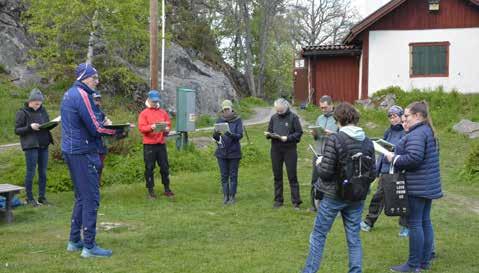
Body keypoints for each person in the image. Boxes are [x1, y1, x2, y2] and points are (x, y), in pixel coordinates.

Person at [302, 102, 376, 273]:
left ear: (339, 120)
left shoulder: (335, 139)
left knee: (319, 235)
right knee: (354, 238)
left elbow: (326, 173)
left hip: (333, 195)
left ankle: (309, 271)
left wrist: (320, 163)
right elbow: (372, 173)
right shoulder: (367, 142)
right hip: (357, 196)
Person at [62, 63, 125, 258]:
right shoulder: (82, 95)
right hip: (83, 152)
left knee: (81, 197)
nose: (97, 81)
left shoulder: (70, 93)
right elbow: (96, 128)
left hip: (72, 150)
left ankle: (74, 241)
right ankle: (89, 246)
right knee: (91, 198)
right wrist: (118, 131)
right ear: (84, 77)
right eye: (94, 78)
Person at [385, 101, 442, 272]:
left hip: (418, 186)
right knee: (424, 221)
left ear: (418, 116)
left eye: (407, 116)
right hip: (426, 185)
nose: (405, 119)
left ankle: (413, 264)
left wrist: (393, 158)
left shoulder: (418, 133)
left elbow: (414, 158)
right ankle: (424, 262)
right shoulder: (425, 130)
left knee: (416, 224)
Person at [360, 105, 409, 236]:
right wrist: (377, 169)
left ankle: (405, 227)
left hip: (399, 170)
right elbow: (382, 152)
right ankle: (368, 222)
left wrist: (395, 151)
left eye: (395, 116)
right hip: (385, 170)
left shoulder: (406, 132)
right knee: (378, 197)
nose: (393, 119)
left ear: (401, 116)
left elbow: (407, 152)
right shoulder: (388, 132)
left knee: (401, 198)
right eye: (390, 117)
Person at [15, 88, 56, 206]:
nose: (38, 105)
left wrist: (52, 124)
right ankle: (29, 198)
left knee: (43, 172)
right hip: (31, 146)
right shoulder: (22, 112)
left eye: (40, 103)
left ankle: (42, 197)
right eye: (36, 103)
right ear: (30, 101)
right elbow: (17, 130)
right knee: (31, 172)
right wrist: (30, 127)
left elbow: (46, 124)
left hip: (44, 144)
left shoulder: (43, 111)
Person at [265, 98, 303, 209]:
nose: (279, 113)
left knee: (292, 176)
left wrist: (288, 138)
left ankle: (296, 202)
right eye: (277, 110)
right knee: (277, 176)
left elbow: (299, 133)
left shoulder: (293, 118)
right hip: (276, 150)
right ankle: (278, 200)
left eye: (281, 111)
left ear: (286, 108)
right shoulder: (273, 118)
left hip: (289, 150)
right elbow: (270, 130)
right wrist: (269, 134)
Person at [138, 90, 174, 199]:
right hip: (149, 145)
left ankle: (167, 189)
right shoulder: (144, 113)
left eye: (156, 101)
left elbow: (168, 124)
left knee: (165, 167)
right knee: (149, 168)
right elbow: (141, 128)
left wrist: (167, 129)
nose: (155, 103)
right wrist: (151, 127)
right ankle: (150, 191)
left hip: (161, 144)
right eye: (153, 101)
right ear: (148, 100)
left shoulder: (163, 112)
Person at [309, 95, 338, 211]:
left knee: (329, 180)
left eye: (325, 107)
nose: (323, 110)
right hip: (318, 153)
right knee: (315, 179)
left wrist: (331, 133)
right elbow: (317, 137)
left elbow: (342, 136)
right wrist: (315, 134)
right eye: (321, 108)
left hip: (330, 154)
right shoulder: (319, 118)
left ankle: (330, 204)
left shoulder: (337, 118)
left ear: (331, 105)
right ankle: (313, 205)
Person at [212, 100, 243, 205]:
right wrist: (216, 134)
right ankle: (225, 196)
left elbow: (239, 136)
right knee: (224, 175)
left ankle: (232, 196)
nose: (226, 111)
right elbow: (215, 137)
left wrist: (229, 133)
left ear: (231, 109)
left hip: (234, 152)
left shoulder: (238, 120)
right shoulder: (219, 120)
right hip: (221, 152)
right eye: (224, 110)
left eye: (227, 109)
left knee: (233, 175)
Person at [92, 92, 111, 183]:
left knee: (100, 166)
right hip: (92, 145)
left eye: (99, 99)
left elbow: (105, 123)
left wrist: (108, 123)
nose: (98, 102)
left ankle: (97, 188)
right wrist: (103, 125)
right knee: (92, 168)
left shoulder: (101, 112)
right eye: (96, 99)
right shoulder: (88, 112)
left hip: (102, 144)